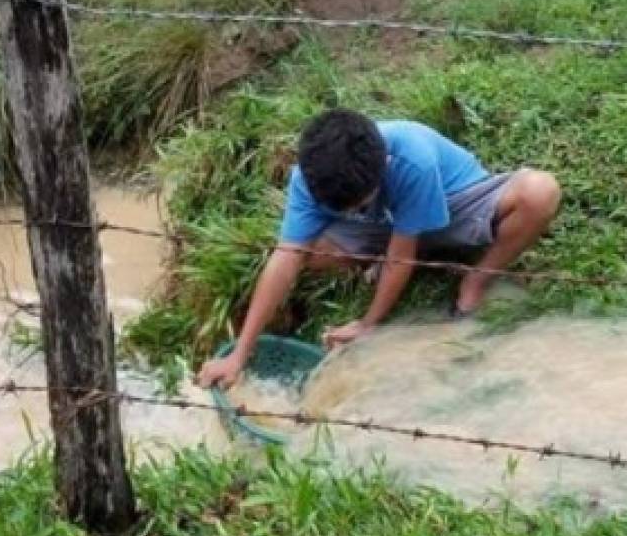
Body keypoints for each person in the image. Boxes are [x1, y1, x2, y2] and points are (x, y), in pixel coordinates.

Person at [197, 108, 560, 389]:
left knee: (540, 192)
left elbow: (402, 255)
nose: (351, 209)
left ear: (382, 167)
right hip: (383, 228)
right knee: (306, 253)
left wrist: (368, 324)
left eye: (358, 202)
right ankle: (384, 262)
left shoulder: (411, 158)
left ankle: (474, 282)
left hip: (452, 208)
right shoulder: (309, 178)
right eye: (345, 208)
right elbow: (285, 257)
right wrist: (240, 354)